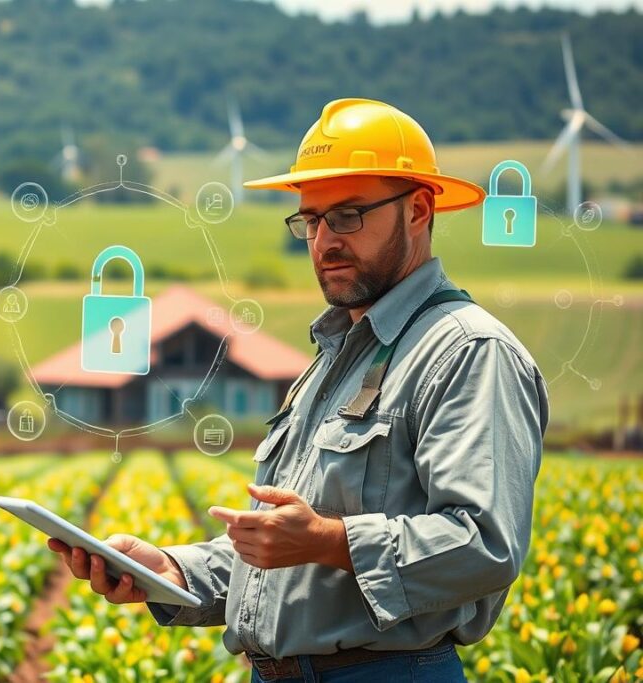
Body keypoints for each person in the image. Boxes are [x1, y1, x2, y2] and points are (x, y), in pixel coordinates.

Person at [47, 98, 549, 682]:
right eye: (311, 220)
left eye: (348, 216)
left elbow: (484, 545)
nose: (323, 241)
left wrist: (329, 542)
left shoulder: (466, 352)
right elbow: (281, 558)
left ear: (418, 209)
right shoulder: (333, 359)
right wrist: (169, 571)